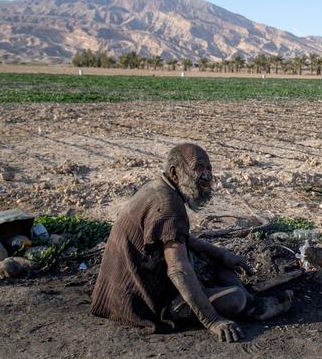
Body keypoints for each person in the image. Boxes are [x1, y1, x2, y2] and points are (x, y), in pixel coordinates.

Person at [91, 143, 291, 342]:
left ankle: (252, 302)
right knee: (235, 298)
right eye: (198, 168)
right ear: (175, 173)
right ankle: (251, 306)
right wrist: (212, 320)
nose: (206, 176)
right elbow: (178, 270)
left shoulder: (160, 188)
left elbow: (181, 239)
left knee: (219, 262)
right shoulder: (167, 206)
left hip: (123, 293)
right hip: (139, 303)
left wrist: (222, 254)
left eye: (209, 169)